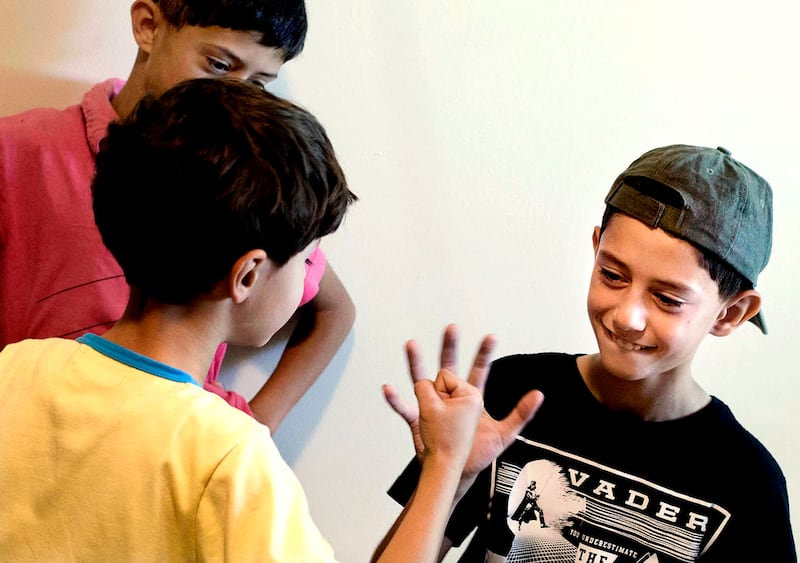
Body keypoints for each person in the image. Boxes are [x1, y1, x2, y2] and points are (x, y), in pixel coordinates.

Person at [0, 78, 541, 561]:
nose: (308, 278)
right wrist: (445, 465)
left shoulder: (17, 368)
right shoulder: (227, 456)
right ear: (249, 275)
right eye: (306, 260)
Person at [386, 145, 796, 561]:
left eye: (667, 299)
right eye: (612, 275)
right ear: (596, 248)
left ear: (730, 313)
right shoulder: (507, 398)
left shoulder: (747, 484)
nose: (627, 316)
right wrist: (446, 473)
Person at [0, 0, 354, 432]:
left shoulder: (242, 185)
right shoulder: (17, 152)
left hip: (172, 454)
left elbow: (334, 309)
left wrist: (257, 423)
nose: (233, 95)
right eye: (219, 65)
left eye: (258, 84)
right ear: (148, 25)